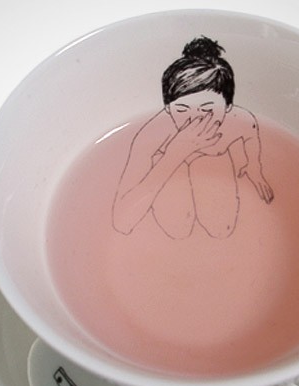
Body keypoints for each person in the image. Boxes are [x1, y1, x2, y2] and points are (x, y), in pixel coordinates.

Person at [112, 36, 274, 239]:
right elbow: (122, 221)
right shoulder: (150, 137)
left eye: (207, 109)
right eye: (181, 109)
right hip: (168, 169)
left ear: (228, 107)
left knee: (221, 229)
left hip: (212, 164)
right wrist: (175, 154)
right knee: (177, 230)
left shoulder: (238, 121)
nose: (194, 119)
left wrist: (254, 168)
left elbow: (250, 132)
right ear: (168, 108)